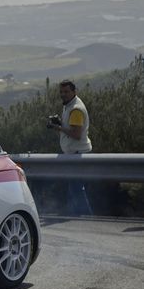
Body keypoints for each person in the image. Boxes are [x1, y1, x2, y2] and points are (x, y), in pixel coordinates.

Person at [47, 79, 92, 214]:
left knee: (76, 188)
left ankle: (87, 217)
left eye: (66, 92)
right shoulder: (69, 105)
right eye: (61, 92)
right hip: (74, 153)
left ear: (74, 92)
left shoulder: (76, 109)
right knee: (74, 188)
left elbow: (76, 134)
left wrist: (58, 127)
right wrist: (61, 124)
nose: (63, 94)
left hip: (77, 154)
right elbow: (72, 128)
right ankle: (76, 216)